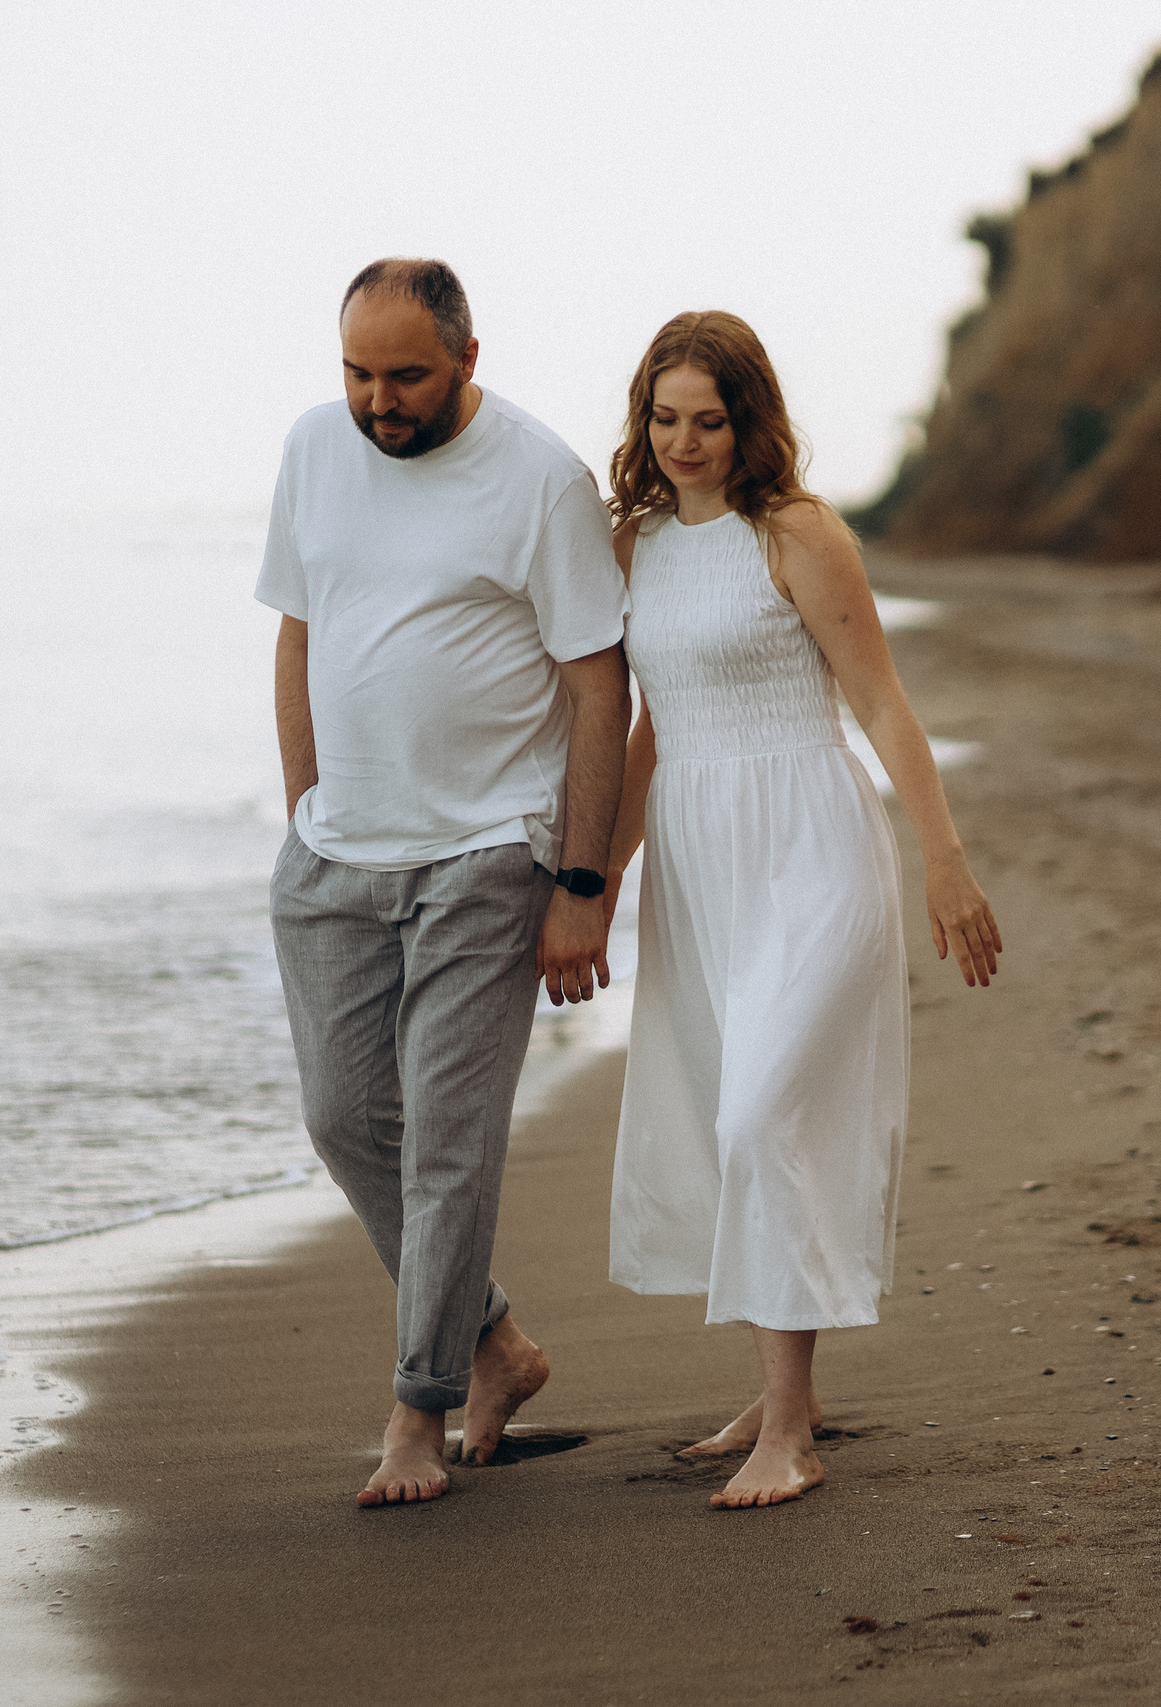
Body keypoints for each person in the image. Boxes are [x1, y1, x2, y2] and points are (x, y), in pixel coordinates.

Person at [600, 310, 1001, 1510]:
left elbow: (879, 704)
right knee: (726, 1107)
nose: (684, 443)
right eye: (665, 419)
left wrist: (944, 860)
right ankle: (788, 1393)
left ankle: (789, 1437)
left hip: (809, 848)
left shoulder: (797, 533)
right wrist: (596, 879)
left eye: (708, 421)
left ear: (749, 421)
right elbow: (650, 730)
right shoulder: (634, 545)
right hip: (697, 858)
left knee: (762, 1115)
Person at [258, 258, 631, 1508]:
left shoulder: (541, 479)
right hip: (336, 854)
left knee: (447, 1148)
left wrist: (580, 880)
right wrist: (306, 806)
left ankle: (418, 1412)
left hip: (486, 849)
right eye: (357, 373)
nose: (379, 402)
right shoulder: (313, 450)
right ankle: (495, 1344)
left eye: (406, 376)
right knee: (342, 1118)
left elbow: (598, 687)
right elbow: (299, 630)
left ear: (469, 357)